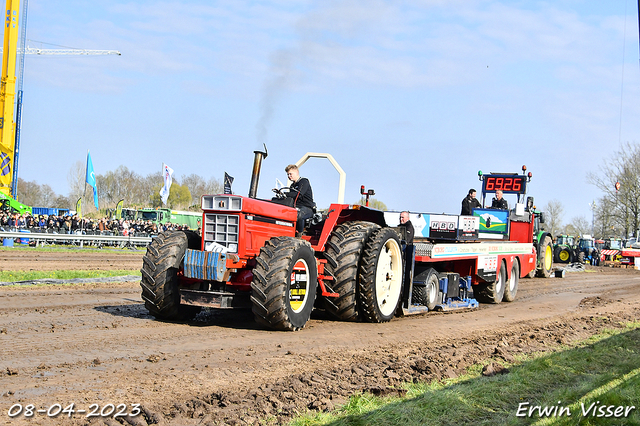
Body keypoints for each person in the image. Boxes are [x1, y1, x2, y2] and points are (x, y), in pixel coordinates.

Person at [284, 164, 315, 235]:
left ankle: (299, 234)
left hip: (307, 208)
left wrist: (286, 194)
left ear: (297, 172)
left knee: (299, 214)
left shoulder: (304, 181)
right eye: (288, 174)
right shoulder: (292, 186)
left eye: (290, 174)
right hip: (296, 207)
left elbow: (299, 194)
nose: (289, 176)